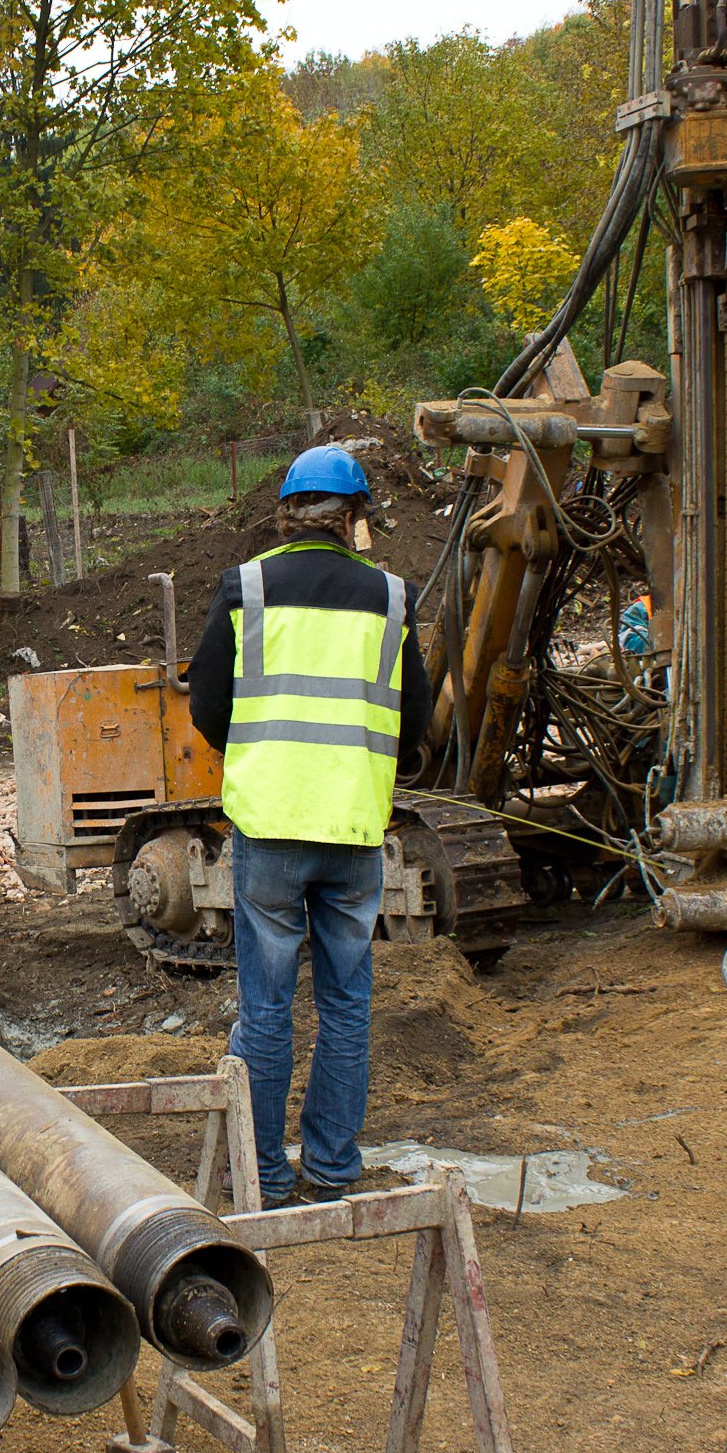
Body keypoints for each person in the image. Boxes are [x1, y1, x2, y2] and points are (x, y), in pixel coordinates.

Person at [188, 446, 433, 1210]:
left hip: (271, 822)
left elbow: (205, 704)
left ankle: (260, 1175)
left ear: (287, 512)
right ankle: (331, 1167)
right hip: (354, 826)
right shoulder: (392, 596)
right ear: (355, 517)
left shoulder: (248, 587)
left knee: (265, 1008)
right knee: (347, 1003)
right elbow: (418, 717)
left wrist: (263, 754)